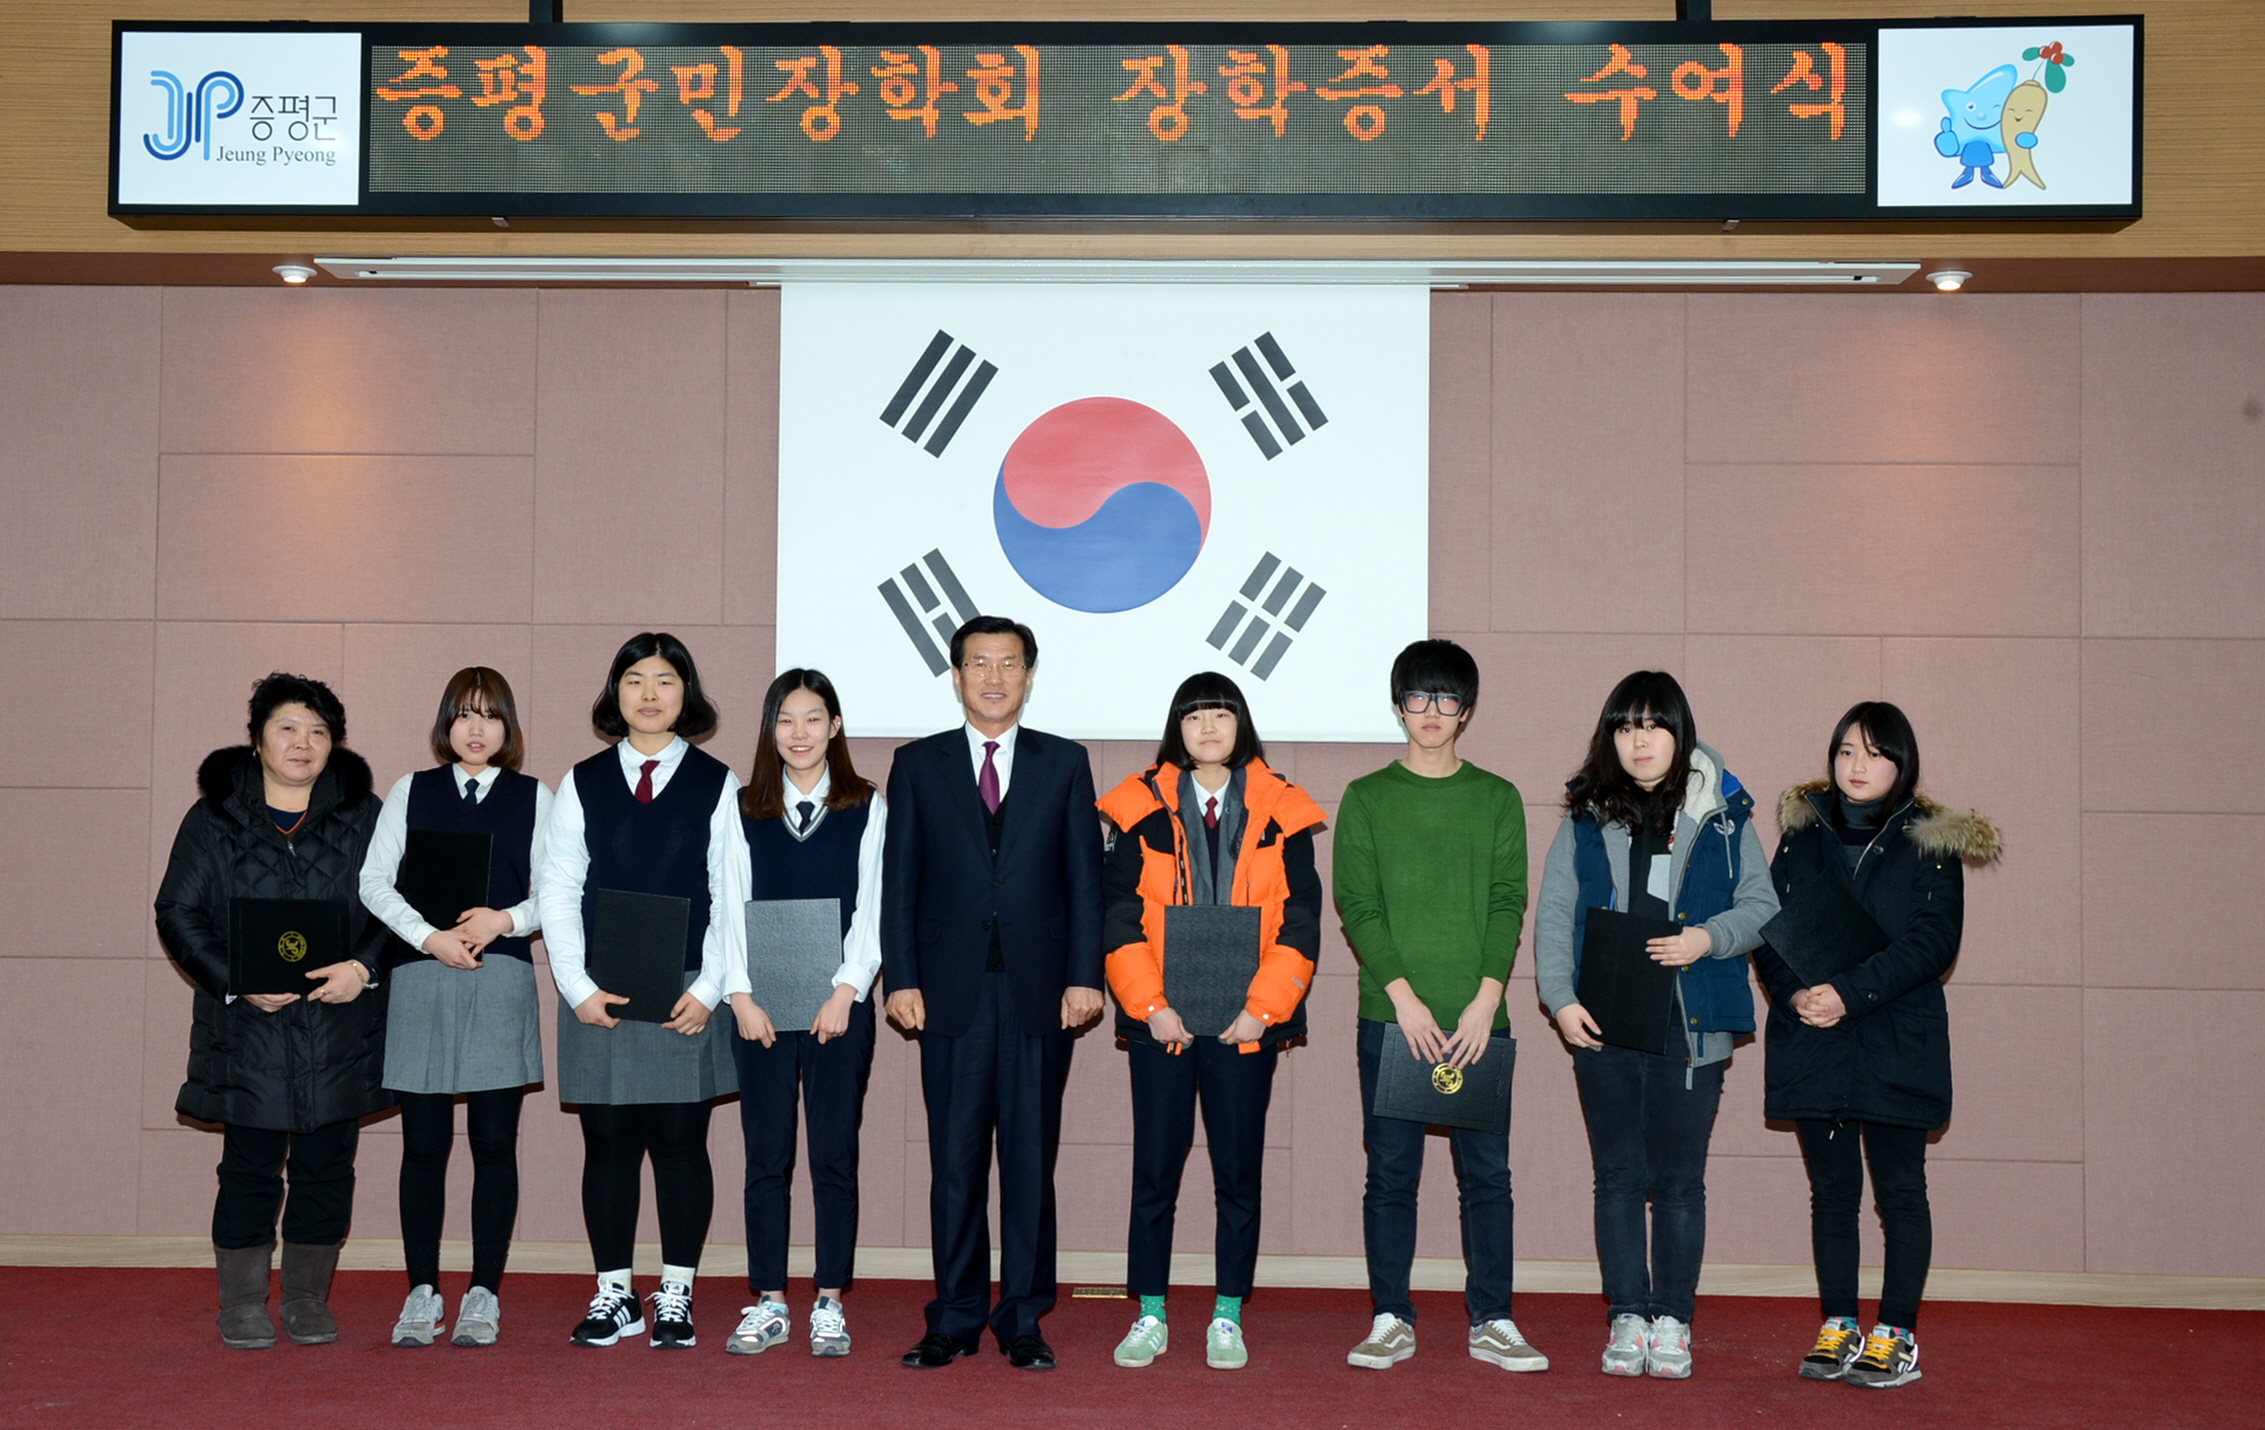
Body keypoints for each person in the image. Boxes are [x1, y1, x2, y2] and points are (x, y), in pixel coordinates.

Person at [1533, 671, 1778, 1379]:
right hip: (1602, 1018)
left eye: (1653, 725)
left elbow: (1761, 906)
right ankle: (1626, 1316)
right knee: (1615, 1176)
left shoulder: (1723, 814)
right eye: (1625, 726)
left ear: (1680, 732)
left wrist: (1706, 938)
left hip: (1689, 1022)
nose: (1639, 741)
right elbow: (1555, 913)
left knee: (1677, 1181)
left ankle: (1671, 1319)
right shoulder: (1585, 814)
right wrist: (1560, 998)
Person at [883, 615, 1104, 1371]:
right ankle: (953, 1316)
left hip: (1041, 990)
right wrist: (901, 978)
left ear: (1029, 676)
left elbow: (1084, 879)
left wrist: (1084, 974)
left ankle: (1023, 1318)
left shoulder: (1064, 762)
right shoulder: (917, 764)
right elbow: (899, 882)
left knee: (1029, 1163)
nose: (993, 677)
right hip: (949, 991)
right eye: (978, 663)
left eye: (1009, 663)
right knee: (955, 1163)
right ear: (956, 676)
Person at [1755, 701, 1997, 1390]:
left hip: (1895, 1038)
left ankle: (1895, 1332)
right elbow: (1769, 924)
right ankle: (1838, 1323)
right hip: (1814, 1038)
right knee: (1832, 1195)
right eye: (1845, 751)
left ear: (1901, 763)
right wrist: (1794, 996)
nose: (1857, 766)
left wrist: (1848, 993)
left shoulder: (1929, 840)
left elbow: (1933, 942)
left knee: (1900, 1192)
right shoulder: (1802, 834)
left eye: (1874, 753)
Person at [1096, 672, 1327, 1373]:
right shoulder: (1138, 807)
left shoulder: (1281, 810)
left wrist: (1260, 1011)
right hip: (1160, 1023)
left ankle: (1227, 1313)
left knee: (1237, 1174)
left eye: (1221, 714)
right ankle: (1150, 1311)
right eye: (1193, 715)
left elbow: (1301, 920)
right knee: (1154, 1173)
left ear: (1241, 725)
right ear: (1177, 728)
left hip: (1245, 1026)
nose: (1207, 727)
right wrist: (1151, 1007)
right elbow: (1118, 916)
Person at [155, 672, 388, 1350]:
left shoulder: (365, 816)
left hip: (338, 1025)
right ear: (256, 739)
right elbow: (178, 911)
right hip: (246, 1029)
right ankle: (242, 1302)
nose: (302, 743)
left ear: (334, 744)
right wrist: (236, 980)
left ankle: (308, 1299)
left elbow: (397, 906)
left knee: (327, 1169)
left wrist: (361, 968)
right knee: (248, 1170)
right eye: (287, 727)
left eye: (318, 731)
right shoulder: (213, 817)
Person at [1333, 638, 1546, 1374]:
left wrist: (1487, 998)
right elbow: (1356, 904)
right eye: (1418, 697)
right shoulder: (1366, 796)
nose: (1431, 711)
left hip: (1478, 1019)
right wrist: (1402, 998)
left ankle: (1493, 1319)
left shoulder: (1497, 797)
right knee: (1391, 1175)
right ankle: (1390, 1316)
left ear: (1467, 710)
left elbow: (1508, 900)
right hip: (1392, 1016)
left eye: (1446, 697)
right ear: (1399, 707)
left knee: (1487, 1178)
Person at [536, 632, 745, 1350]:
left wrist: (712, 987)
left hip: (688, 986)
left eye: (664, 680)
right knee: (608, 1143)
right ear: (614, 693)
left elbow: (730, 891)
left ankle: (677, 1293)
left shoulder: (719, 783)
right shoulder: (582, 781)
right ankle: (615, 1294)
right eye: (634, 680)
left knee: (682, 1141)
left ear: (687, 694)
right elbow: (558, 888)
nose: (649, 694)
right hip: (599, 987)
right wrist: (576, 986)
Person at [358, 667, 551, 1349]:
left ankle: (483, 1292)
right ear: (446, 723)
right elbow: (373, 882)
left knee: (495, 1143)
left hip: (500, 976)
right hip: (421, 974)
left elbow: (558, 888)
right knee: (423, 1145)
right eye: (464, 714)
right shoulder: (411, 790)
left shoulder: (535, 796)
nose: (476, 728)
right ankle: (421, 1291)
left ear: (508, 726)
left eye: (490, 715)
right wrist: (428, 937)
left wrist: (506, 920)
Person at [722, 669, 887, 1359]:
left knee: (833, 1156)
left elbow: (873, 907)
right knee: (766, 1157)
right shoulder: (741, 807)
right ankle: (768, 1299)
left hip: (837, 1010)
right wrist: (739, 995)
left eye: (813, 718)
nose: (799, 733)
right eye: (785, 720)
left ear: (834, 726)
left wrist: (847, 990)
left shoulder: (866, 805)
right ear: (770, 729)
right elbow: (727, 902)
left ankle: (828, 1300)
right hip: (759, 1009)